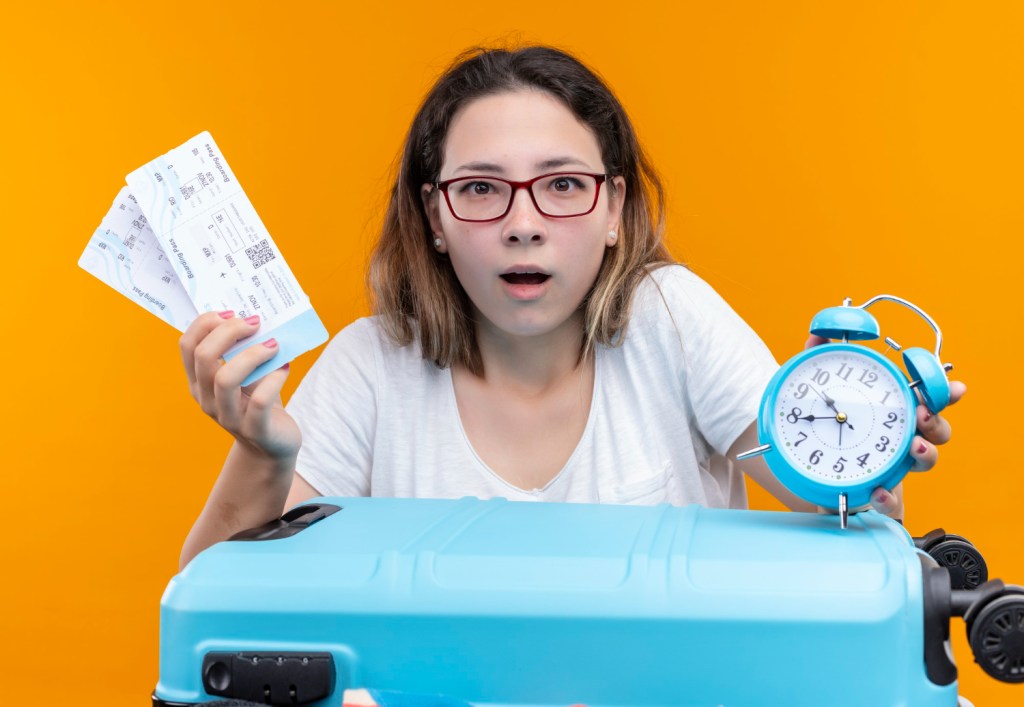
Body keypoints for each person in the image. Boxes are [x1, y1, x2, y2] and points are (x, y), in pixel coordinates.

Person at [177, 46, 963, 569]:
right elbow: (212, 606)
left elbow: (829, 498)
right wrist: (263, 453)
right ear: (437, 217)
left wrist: (868, 456)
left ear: (615, 207)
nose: (524, 223)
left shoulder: (673, 320)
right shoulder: (369, 363)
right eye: (481, 188)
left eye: (562, 184)